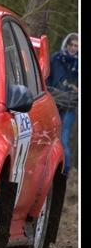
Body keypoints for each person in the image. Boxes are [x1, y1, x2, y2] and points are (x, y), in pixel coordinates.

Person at [46, 32, 78, 174]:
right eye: (71, 44)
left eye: (76, 46)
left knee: (63, 140)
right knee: (49, 137)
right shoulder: (56, 58)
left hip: (70, 107)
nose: (73, 48)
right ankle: (47, 169)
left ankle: (62, 174)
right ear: (66, 44)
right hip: (54, 104)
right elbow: (48, 78)